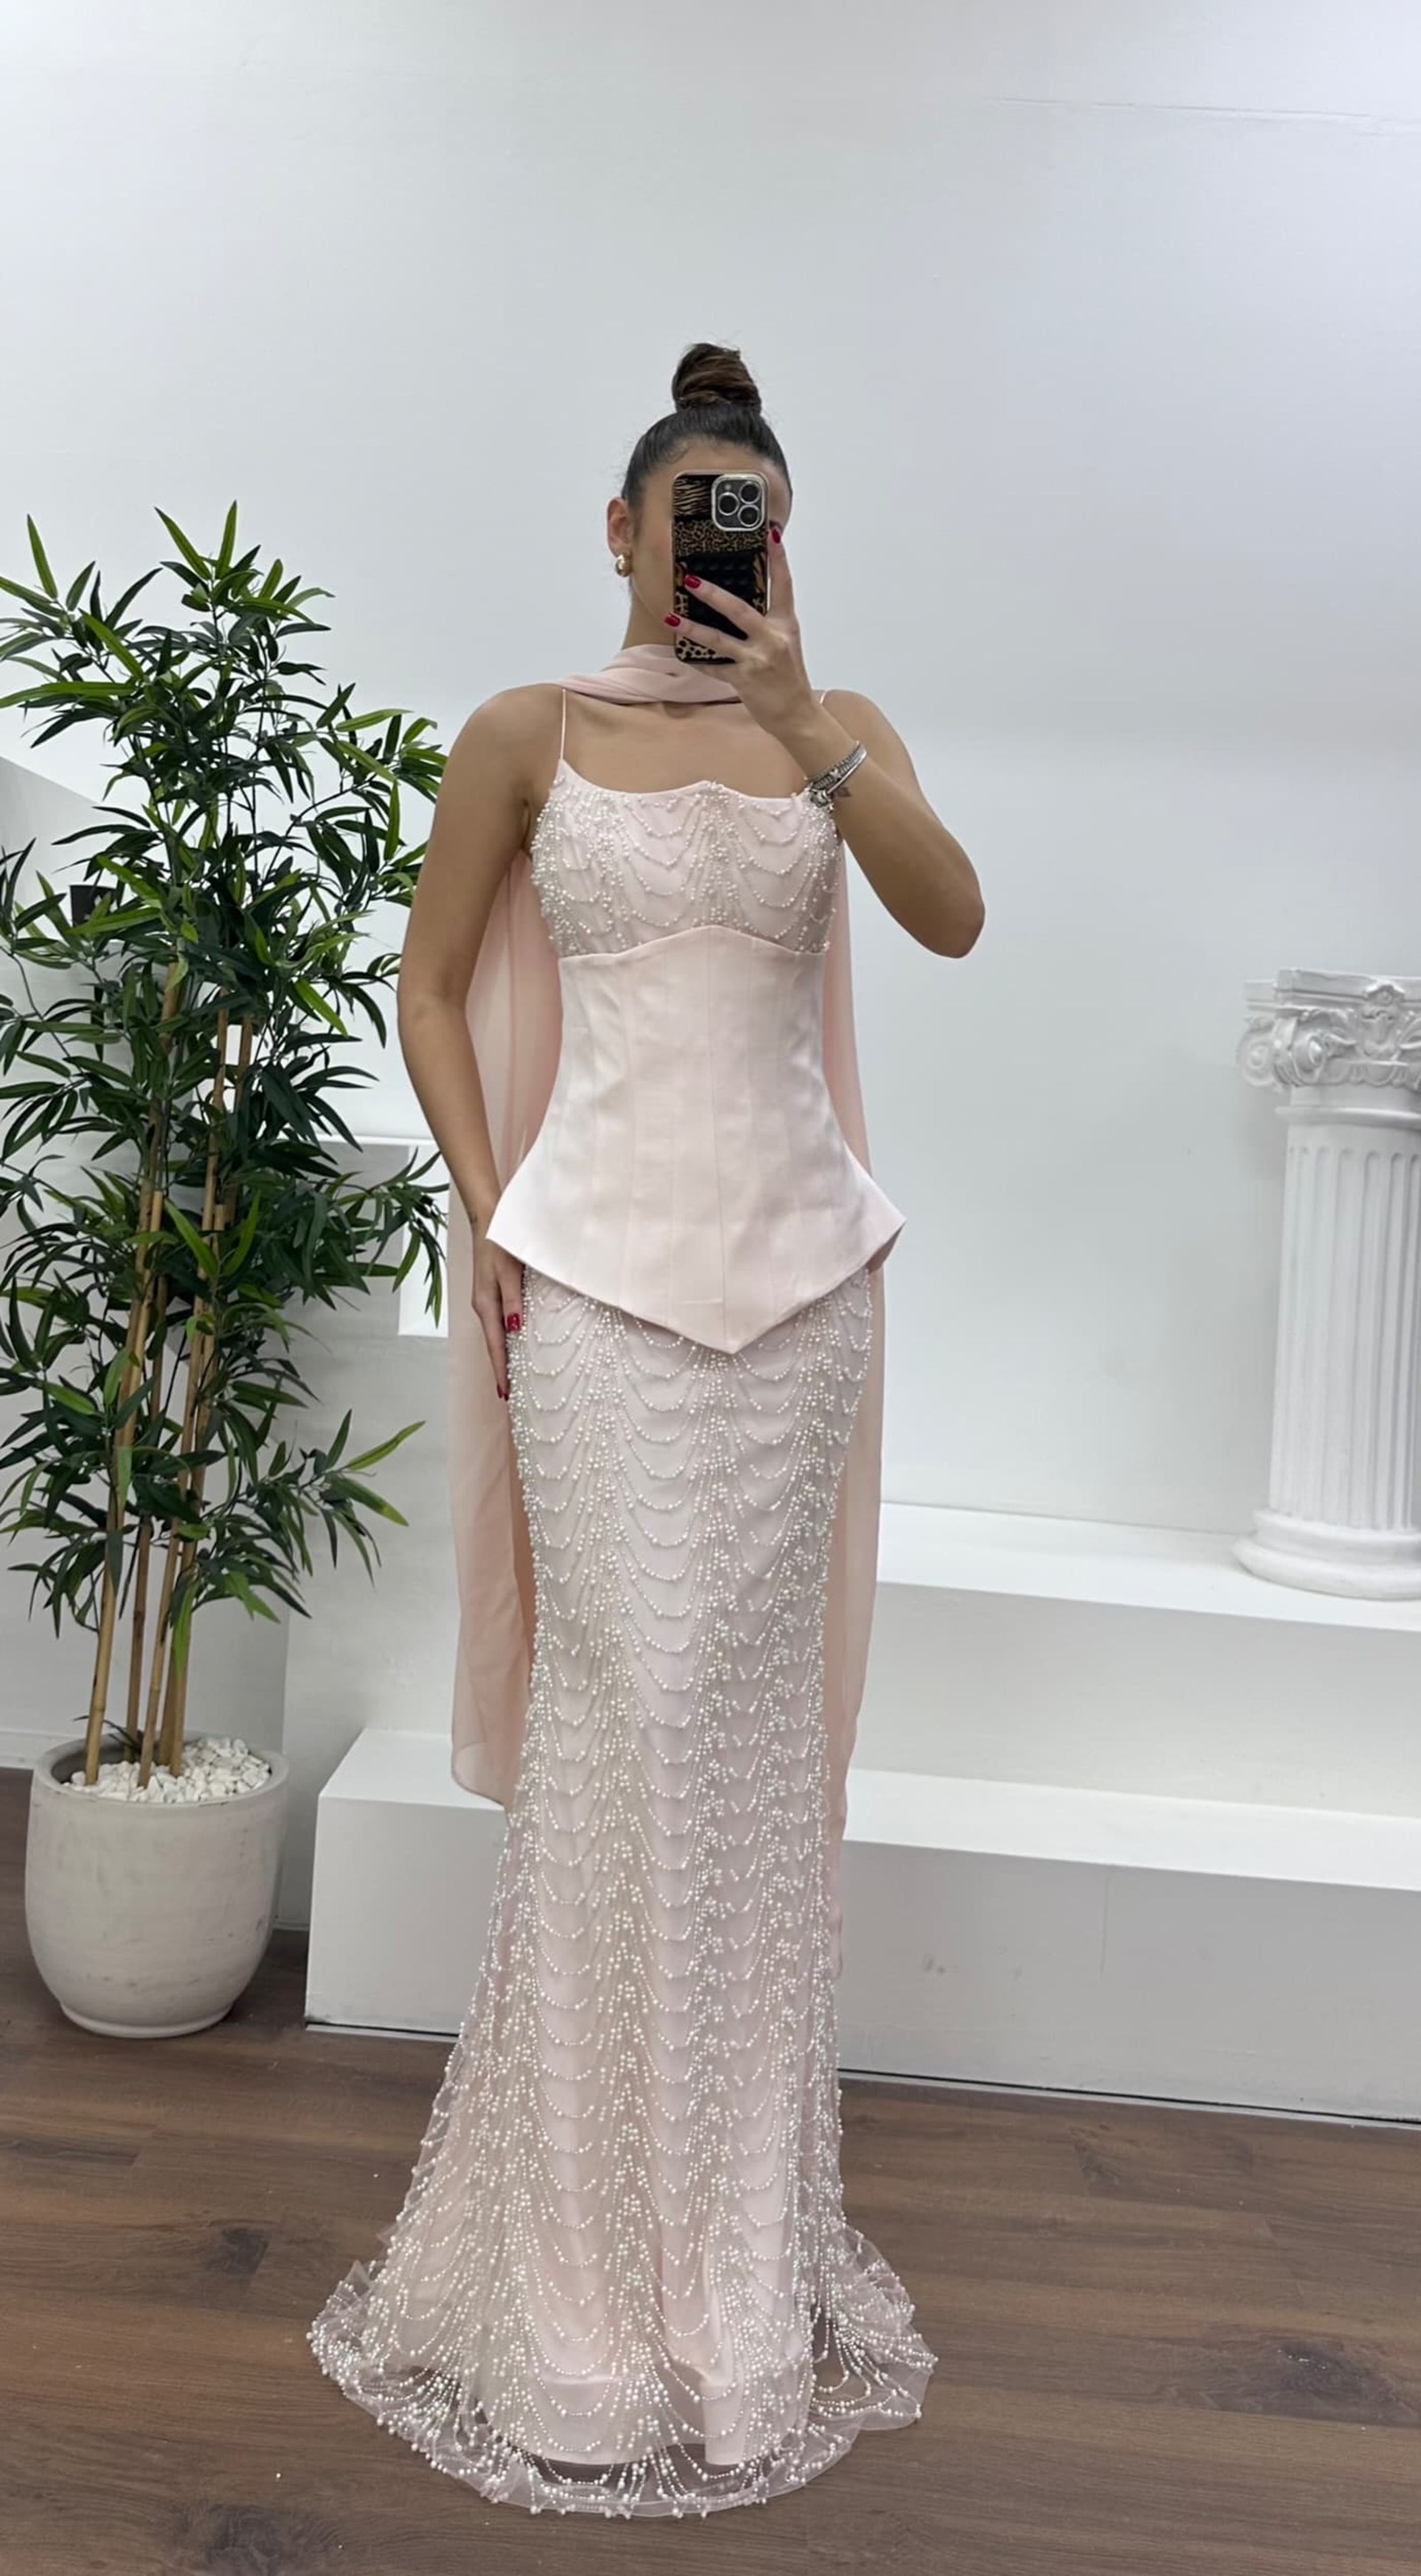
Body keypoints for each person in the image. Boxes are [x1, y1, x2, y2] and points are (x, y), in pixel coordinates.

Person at [307, 341, 984, 2518]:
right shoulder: (524, 732)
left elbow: (953, 915)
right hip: (588, 1287)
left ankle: (734, 2285)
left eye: (747, 519)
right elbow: (427, 983)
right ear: (621, 530)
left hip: (793, 1307)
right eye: (687, 513)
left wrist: (804, 725)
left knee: (746, 1758)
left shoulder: (833, 728)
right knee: (622, 1731)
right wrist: (482, 1195)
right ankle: (577, 2311)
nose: (713, 548)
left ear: (776, 543)